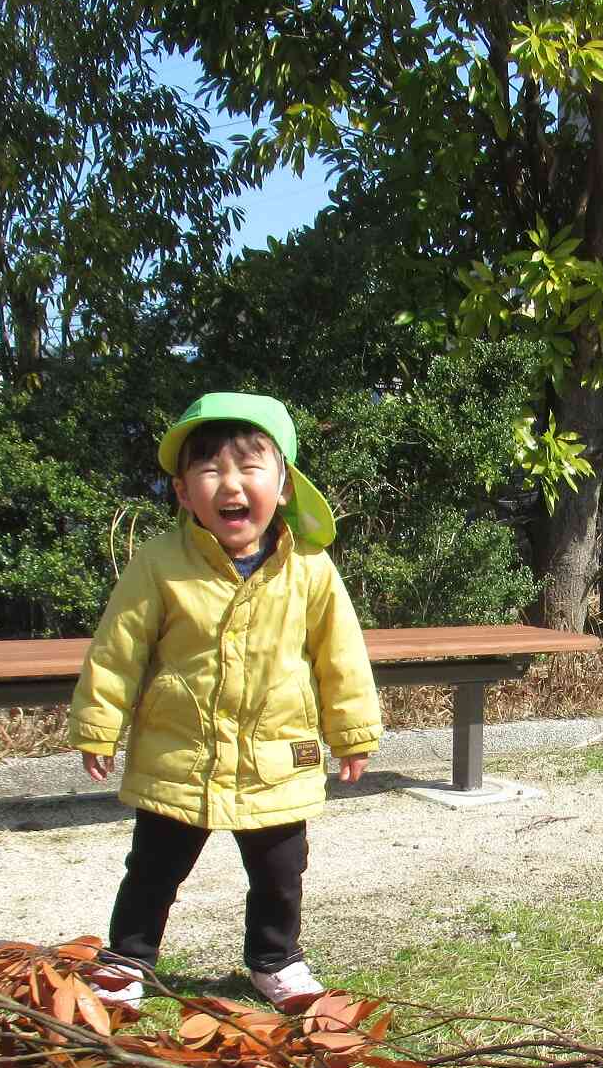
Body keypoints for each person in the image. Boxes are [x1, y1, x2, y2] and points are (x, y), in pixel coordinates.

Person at [68, 392, 382, 1009]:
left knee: (281, 872)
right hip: (179, 756)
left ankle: (276, 960)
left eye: (249, 468)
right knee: (153, 868)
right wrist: (98, 724)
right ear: (184, 493)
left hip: (276, 758)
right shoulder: (160, 564)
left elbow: (340, 656)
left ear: (284, 486)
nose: (231, 484)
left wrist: (353, 732)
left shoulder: (311, 569)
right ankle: (128, 959)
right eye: (210, 470)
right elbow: (118, 649)